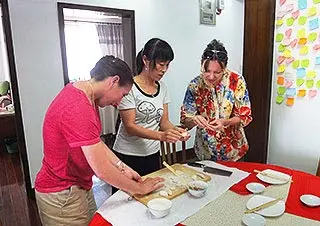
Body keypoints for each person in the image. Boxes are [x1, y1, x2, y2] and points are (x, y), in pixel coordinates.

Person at [34, 55, 164, 226]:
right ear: (113, 81)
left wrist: (122, 167)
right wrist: (139, 189)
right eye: (122, 94)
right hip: (62, 194)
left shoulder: (85, 94)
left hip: (78, 185)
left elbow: (95, 143)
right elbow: (101, 170)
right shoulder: (78, 107)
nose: (119, 102)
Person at [113, 38, 190, 178]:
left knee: (151, 196)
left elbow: (164, 122)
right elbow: (130, 127)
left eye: (167, 65)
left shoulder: (163, 88)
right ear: (145, 60)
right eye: (161, 64)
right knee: (127, 197)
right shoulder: (129, 87)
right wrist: (161, 136)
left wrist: (176, 132)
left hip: (153, 154)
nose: (164, 69)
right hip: (128, 154)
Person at [180, 39, 252, 162]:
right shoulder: (195, 85)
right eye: (207, 71)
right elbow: (185, 122)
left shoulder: (236, 80)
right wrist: (194, 119)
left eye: (217, 72)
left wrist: (226, 122)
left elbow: (245, 116)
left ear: (224, 69)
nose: (211, 77)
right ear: (201, 64)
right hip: (205, 151)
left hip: (233, 152)